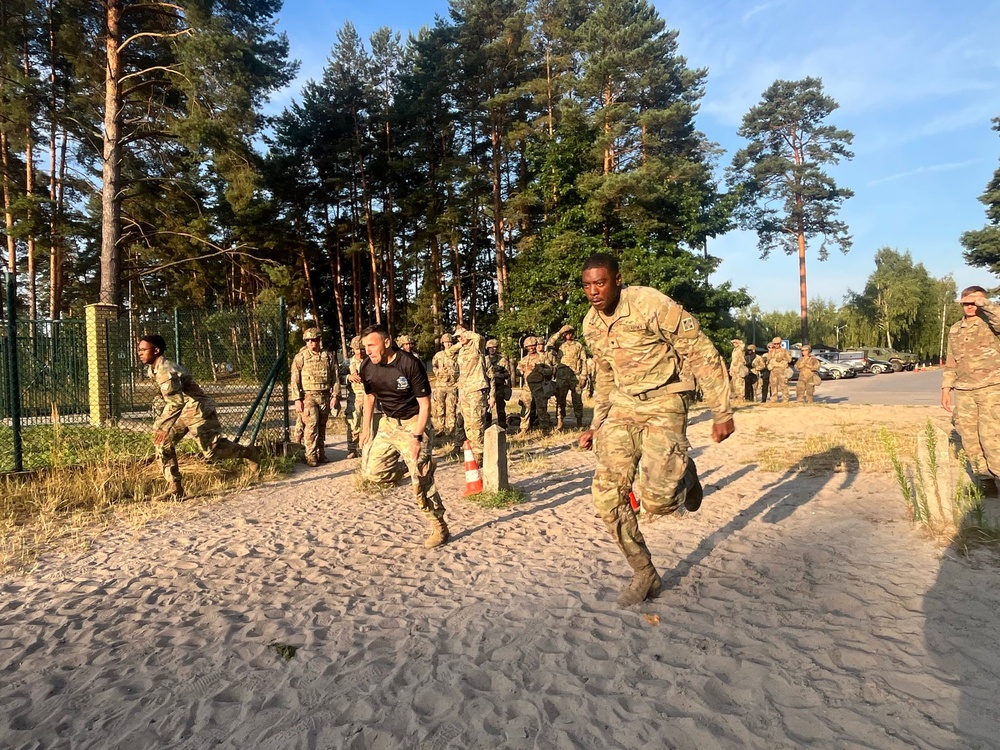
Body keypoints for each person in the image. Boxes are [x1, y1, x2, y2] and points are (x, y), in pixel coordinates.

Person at [577, 253, 734, 607]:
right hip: (623, 406)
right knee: (606, 498)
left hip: (665, 400)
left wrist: (721, 410)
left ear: (617, 279)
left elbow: (698, 348)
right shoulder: (591, 323)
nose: (593, 292)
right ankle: (645, 572)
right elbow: (604, 374)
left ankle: (687, 477)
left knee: (658, 502)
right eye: (587, 285)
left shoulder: (648, 303)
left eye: (600, 283)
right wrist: (596, 423)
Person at [358, 325, 450, 547]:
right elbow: (369, 397)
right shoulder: (367, 366)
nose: (368, 351)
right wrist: (365, 427)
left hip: (414, 422)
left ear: (387, 342)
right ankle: (415, 467)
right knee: (372, 473)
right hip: (389, 423)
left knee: (420, 481)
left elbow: (425, 404)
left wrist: (417, 437)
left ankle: (440, 527)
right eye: (365, 347)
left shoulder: (409, 363)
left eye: (371, 345)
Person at [137, 335, 259, 501]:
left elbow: (175, 402)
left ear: (156, 350)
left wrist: (162, 426)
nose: (140, 353)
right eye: (139, 350)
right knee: (162, 444)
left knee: (213, 452)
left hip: (197, 409)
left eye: (143, 350)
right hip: (183, 410)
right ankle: (175, 488)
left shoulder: (165, 370)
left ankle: (248, 452)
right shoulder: (154, 369)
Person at [941, 286, 1000, 496]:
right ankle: (986, 482)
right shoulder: (955, 329)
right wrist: (946, 388)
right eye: (966, 302)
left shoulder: (990, 323)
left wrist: (984, 302)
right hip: (964, 391)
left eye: (975, 302)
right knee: (970, 439)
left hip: (991, 388)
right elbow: (951, 362)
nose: (970, 306)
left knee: (991, 438)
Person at [290, 328, 341, 466]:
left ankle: (320, 453)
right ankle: (311, 455)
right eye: (308, 340)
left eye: (314, 339)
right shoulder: (300, 357)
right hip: (309, 396)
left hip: (325, 396)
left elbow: (335, 378)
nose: (311, 342)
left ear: (319, 340)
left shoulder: (328, 356)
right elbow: (295, 380)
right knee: (311, 426)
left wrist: (335, 396)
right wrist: (297, 399)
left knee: (322, 426)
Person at [444, 325, 490, 465]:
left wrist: (466, 333)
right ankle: (475, 449)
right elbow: (449, 352)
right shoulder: (461, 350)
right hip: (464, 390)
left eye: (461, 336)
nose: (460, 338)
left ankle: (479, 453)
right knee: (467, 423)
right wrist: (460, 340)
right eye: (457, 337)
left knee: (477, 421)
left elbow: (479, 337)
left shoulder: (477, 346)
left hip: (476, 389)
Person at [546, 324, 587, 429]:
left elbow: (584, 361)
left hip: (575, 376)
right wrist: (559, 332)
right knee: (560, 400)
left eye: (570, 333)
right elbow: (549, 343)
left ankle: (579, 422)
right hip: (561, 376)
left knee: (577, 399)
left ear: (572, 334)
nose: (568, 335)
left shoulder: (578, 345)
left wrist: (584, 376)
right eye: (566, 333)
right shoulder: (559, 345)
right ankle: (560, 421)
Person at [517, 336, 555, 433]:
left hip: (539, 386)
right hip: (527, 387)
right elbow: (518, 372)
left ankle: (544, 429)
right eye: (528, 346)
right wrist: (522, 370)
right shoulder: (524, 359)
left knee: (541, 408)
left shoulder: (542, 358)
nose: (531, 348)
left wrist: (539, 369)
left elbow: (550, 371)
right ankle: (524, 429)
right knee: (525, 408)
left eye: (533, 346)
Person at [344, 336, 367, 459]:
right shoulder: (348, 363)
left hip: (370, 396)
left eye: (362, 349)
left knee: (371, 422)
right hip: (355, 397)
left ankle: (368, 447)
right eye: (357, 349)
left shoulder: (372, 360)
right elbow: (338, 378)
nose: (360, 351)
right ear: (353, 349)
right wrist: (348, 377)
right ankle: (352, 448)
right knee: (353, 422)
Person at [431, 333, 459, 435]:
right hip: (440, 385)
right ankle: (440, 428)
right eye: (446, 342)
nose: (449, 344)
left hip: (452, 385)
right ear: (443, 343)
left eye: (450, 342)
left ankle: (451, 429)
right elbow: (434, 366)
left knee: (451, 408)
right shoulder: (439, 355)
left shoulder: (457, 355)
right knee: (440, 408)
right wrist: (438, 371)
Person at [486, 338, 513, 429]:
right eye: (490, 348)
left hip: (499, 386)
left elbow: (508, 374)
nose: (492, 349)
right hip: (488, 386)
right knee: (486, 408)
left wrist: (498, 375)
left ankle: (502, 426)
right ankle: (487, 426)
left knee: (500, 408)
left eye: (494, 347)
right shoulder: (485, 359)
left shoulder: (502, 360)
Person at [766, 337, 792, 403]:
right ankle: (774, 399)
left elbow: (789, 359)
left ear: (780, 343)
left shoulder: (784, 351)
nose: (776, 345)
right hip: (773, 370)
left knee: (783, 385)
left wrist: (783, 358)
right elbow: (768, 360)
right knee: (773, 385)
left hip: (782, 370)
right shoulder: (771, 352)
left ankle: (785, 399)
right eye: (775, 344)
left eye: (778, 343)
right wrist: (769, 365)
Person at [729, 338, 748, 403]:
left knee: (740, 383)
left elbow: (743, 346)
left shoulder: (740, 349)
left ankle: (741, 398)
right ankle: (736, 397)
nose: (734, 344)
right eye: (733, 343)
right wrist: (731, 369)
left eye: (736, 343)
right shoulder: (734, 350)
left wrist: (739, 342)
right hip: (734, 369)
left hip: (739, 368)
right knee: (734, 384)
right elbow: (733, 360)